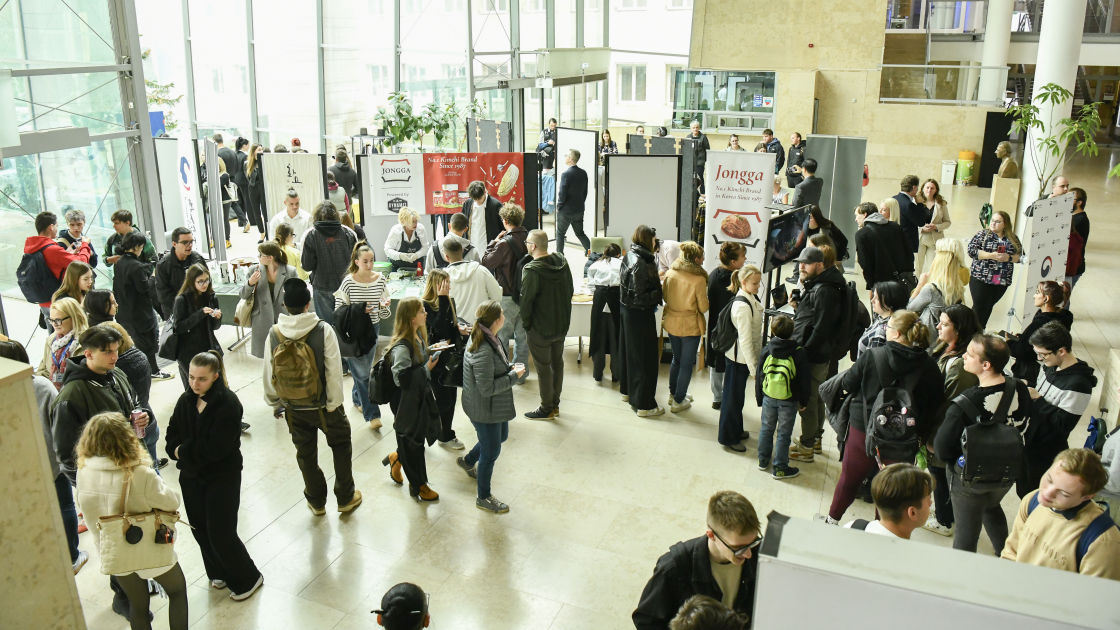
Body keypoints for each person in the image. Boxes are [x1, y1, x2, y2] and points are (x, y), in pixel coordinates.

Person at [825, 310, 943, 524]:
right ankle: (883, 530)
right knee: (890, 490)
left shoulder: (873, 355)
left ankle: (832, 520)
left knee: (849, 478)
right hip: (902, 437)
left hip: (864, 428)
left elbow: (848, 383)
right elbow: (932, 407)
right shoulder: (930, 368)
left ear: (897, 334)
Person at [75, 412, 188, 629]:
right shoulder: (140, 473)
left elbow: (85, 509)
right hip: (150, 549)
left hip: (115, 553)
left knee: (138, 605)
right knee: (177, 591)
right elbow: (171, 502)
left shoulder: (84, 472)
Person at [166, 351, 264, 600]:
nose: (194, 384)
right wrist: (179, 450)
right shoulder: (185, 400)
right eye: (191, 377)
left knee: (221, 531)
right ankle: (218, 571)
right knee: (200, 529)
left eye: (202, 379)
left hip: (222, 476)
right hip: (191, 476)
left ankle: (247, 579)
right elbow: (172, 434)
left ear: (216, 377)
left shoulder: (228, 404)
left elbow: (215, 449)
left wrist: (181, 451)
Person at [262, 277, 361, 515]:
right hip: (324, 406)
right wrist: (333, 404)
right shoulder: (322, 330)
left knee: (305, 454)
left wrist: (276, 402)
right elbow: (333, 370)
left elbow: (268, 372)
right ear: (309, 304)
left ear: (285, 306)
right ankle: (345, 497)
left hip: (294, 407)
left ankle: (316, 501)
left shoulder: (274, 333)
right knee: (340, 445)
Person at [933, 333, 1032, 554]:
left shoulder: (966, 403)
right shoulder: (1020, 388)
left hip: (971, 478)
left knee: (966, 537)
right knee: (991, 506)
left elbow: (942, 448)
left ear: (986, 365)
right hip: (1007, 472)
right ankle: (1006, 553)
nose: (964, 357)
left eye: (969, 355)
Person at [1, 338, 86, 573]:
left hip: (18, 470)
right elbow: (57, 423)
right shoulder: (41, 385)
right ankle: (72, 555)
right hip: (51, 460)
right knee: (65, 506)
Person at [633, 491, 761, 629]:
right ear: (711, 535)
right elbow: (646, 621)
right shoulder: (674, 568)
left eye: (752, 543)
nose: (748, 554)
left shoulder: (757, 554)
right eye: (738, 548)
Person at [1002, 448, 1120, 579]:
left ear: (1087, 496)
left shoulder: (1103, 541)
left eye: (1064, 493)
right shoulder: (1032, 500)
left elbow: (1093, 596)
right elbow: (1011, 552)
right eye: (1049, 479)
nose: (1047, 493)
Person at [456, 301, 526, 513]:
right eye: (502, 314)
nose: (504, 316)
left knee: (501, 437)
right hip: (483, 407)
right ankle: (483, 497)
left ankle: (468, 461)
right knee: (491, 450)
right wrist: (514, 376)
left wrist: (509, 368)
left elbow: (493, 371)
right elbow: (486, 389)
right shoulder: (483, 349)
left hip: (492, 405)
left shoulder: (488, 336)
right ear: (497, 320)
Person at [922, 304, 982, 537]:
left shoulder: (961, 364)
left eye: (945, 323)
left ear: (958, 330)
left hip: (943, 427)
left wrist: (931, 432)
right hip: (937, 424)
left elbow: (950, 404)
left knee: (939, 471)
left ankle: (945, 520)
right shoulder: (947, 348)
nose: (938, 326)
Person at [1019, 321, 1097, 498]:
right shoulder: (1050, 365)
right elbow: (1040, 389)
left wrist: (1037, 398)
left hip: (1046, 451)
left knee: (1036, 496)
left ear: (1061, 351)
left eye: (1043, 355)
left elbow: (1062, 426)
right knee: (1022, 490)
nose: (1040, 359)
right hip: (1029, 441)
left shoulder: (1079, 385)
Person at [381, 297, 442, 502]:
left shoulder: (417, 337)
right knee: (413, 444)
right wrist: (427, 368)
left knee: (413, 440)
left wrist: (431, 351)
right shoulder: (401, 347)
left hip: (417, 397)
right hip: (405, 402)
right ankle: (419, 485)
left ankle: (396, 458)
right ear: (411, 317)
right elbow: (402, 379)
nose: (425, 313)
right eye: (421, 311)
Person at [789, 245, 846, 462]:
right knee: (817, 397)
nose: (801, 267)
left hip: (814, 353)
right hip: (819, 351)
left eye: (807, 263)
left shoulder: (824, 290)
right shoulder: (824, 284)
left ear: (819, 265)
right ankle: (815, 439)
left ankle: (806, 447)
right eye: (800, 263)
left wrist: (805, 351)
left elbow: (822, 327)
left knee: (809, 399)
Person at [334, 242, 391, 428]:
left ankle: (358, 399)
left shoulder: (380, 279)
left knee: (364, 370)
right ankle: (372, 414)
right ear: (356, 261)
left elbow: (383, 314)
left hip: (373, 329)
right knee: (363, 374)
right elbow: (339, 310)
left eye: (372, 260)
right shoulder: (349, 282)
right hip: (353, 332)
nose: (369, 265)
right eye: (365, 261)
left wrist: (384, 307)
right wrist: (359, 311)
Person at [519, 229, 574, 419]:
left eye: (527, 242)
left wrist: (527, 325)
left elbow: (526, 302)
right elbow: (570, 290)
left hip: (539, 328)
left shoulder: (532, 270)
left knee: (543, 368)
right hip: (560, 325)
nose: (525, 245)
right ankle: (555, 405)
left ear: (533, 246)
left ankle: (546, 408)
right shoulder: (562, 262)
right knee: (557, 364)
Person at [752, 314, 810, 479]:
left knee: (766, 428)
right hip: (789, 399)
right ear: (793, 331)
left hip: (768, 396)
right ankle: (780, 467)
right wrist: (803, 401)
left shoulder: (767, 349)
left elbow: (760, 375)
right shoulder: (798, 352)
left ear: (773, 330)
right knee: (784, 433)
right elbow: (804, 380)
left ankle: (763, 461)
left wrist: (759, 397)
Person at [715, 265, 763, 451]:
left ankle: (736, 429)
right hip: (739, 360)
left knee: (736, 397)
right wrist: (754, 368)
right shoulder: (742, 306)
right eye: (755, 283)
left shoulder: (749, 296)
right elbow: (745, 341)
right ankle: (727, 437)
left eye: (759, 282)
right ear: (743, 282)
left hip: (741, 358)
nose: (758, 286)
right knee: (732, 399)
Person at [620, 225, 665, 417]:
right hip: (639, 314)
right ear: (648, 240)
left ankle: (631, 393)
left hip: (628, 313)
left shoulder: (630, 255)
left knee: (632, 355)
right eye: (655, 240)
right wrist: (659, 291)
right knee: (646, 360)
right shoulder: (642, 262)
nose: (657, 243)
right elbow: (640, 296)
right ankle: (644, 405)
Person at [420, 268, 467, 449]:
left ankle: (445, 432)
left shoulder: (448, 301)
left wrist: (458, 329)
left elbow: (449, 327)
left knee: (450, 399)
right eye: (446, 283)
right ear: (437, 285)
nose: (449, 287)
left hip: (450, 360)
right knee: (442, 400)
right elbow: (438, 329)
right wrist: (442, 298)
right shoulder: (425, 305)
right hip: (435, 360)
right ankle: (442, 434)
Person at [112, 232, 169, 380]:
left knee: (138, 344)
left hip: (123, 312)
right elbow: (145, 289)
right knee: (148, 345)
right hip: (139, 313)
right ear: (138, 246)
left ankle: (147, 370)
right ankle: (153, 371)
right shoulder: (136, 267)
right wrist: (153, 276)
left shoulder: (119, 262)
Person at [481, 202, 530, 373]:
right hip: (526, 296)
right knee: (522, 338)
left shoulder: (503, 243)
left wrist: (493, 242)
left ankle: (503, 373)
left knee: (501, 337)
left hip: (507, 296)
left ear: (505, 220)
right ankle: (521, 374)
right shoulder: (530, 239)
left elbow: (486, 262)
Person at [662, 241, 710, 414]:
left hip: (672, 321)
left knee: (676, 359)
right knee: (687, 364)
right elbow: (704, 308)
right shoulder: (699, 280)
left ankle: (673, 393)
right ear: (696, 259)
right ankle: (679, 400)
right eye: (702, 257)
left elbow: (666, 297)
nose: (704, 260)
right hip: (690, 325)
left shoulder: (670, 273)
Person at [24, 211, 95, 318]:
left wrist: (68, 254)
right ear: (51, 227)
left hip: (43, 299)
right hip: (57, 301)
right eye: (56, 226)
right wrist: (85, 245)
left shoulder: (33, 247)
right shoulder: (51, 249)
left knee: (55, 333)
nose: (57, 229)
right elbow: (81, 264)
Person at [303, 200, 359, 326]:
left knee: (327, 327)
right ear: (337, 216)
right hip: (347, 286)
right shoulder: (349, 233)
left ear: (316, 216)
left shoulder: (311, 235)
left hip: (322, 286)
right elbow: (357, 262)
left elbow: (307, 265)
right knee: (347, 325)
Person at [239, 242, 297, 363]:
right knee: (268, 358)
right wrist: (250, 283)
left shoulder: (290, 271)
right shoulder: (253, 271)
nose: (258, 257)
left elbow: (298, 296)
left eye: (261, 255)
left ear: (270, 258)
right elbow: (243, 295)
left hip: (283, 318)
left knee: (286, 357)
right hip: (262, 319)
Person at [844, 463, 934, 539]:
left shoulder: (851, 527)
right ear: (912, 513)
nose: (931, 503)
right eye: (929, 498)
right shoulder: (911, 557)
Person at [1006, 281, 1073, 384]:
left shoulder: (1041, 322)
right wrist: (1022, 338)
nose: (1034, 296)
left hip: (1030, 372)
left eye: (1037, 292)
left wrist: (1009, 342)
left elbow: (1022, 351)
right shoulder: (1063, 317)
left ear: (1046, 299)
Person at [706, 242, 746, 410]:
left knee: (716, 361)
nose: (745, 259)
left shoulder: (714, 274)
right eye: (743, 257)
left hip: (715, 325)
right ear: (733, 262)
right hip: (729, 327)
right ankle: (726, 397)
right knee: (728, 361)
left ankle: (717, 397)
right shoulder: (734, 280)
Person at [169, 263, 221, 389]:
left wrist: (217, 317)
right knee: (194, 388)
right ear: (192, 282)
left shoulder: (211, 297)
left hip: (209, 346)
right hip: (188, 351)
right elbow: (179, 327)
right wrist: (200, 313)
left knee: (215, 384)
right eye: (200, 281)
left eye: (207, 280)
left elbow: (214, 327)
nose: (205, 284)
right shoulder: (181, 300)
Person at [907, 237, 967, 347]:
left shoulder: (931, 289)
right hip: (945, 341)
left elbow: (910, 308)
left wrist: (920, 284)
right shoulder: (958, 286)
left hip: (927, 340)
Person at [967, 210, 1021, 328]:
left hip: (1000, 279)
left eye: (998, 221)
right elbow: (971, 251)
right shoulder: (982, 235)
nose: (993, 223)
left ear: (1005, 224)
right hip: (980, 277)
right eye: (992, 221)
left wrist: (1009, 257)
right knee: (979, 306)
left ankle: (980, 331)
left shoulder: (1012, 238)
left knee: (988, 306)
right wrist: (991, 255)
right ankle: (971, 332)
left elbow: (1021, 257)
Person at [854, 201, 914, 293]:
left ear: (865, 214)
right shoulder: (895, 226)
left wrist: (872, 286)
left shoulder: (861, 234)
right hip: (903, 281)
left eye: (857, 215)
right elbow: (909, 252)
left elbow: (865, 263)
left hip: (880, 284)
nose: (855, 219)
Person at [444, 238, 503, 326]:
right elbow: (497, 295)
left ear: (446, 257)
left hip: (456, 328)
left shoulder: (442, 277)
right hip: (481, 325)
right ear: (463, 251)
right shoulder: (481, 270)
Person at [587, 242, 623, 383]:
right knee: (616, 339)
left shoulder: (596, 264)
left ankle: (597, 373)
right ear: (619, 254)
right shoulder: (621, 264)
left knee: (598, 337)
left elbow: (590, 284)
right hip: (616, 299)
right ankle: (617, 374)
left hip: (600, 299)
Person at [37, 297, 88, 390]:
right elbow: (42, 370)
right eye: (51, 320)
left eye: (58, 320)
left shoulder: (87, 342)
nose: (54, 324)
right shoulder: (51, 340)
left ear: (74, 317)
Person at [155, 228, 206, 319]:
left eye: (191, 242)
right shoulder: (163, 265)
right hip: (176, 313)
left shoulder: (197, 259)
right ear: (174, 244)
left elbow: (207, 281)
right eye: (185, 242)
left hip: (198, 309)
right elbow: (163, 295)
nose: (189, 245)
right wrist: (184, 306)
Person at [856, 281, 909, 358]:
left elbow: (872, 366)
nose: (872, 301)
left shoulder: (880, 333)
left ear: (889, 303)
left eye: (877, 299)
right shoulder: (883, 318)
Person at [555, 149, 590, 255]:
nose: (565, 157)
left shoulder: (566, 174)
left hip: (566, 210)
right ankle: (591, 252)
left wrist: (559, 206)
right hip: (579, 209)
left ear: (570, 159)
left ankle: (559, 256)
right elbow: (585, 192)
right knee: (580, 233)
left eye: (566, 155)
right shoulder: (583, 173)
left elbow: (562, 193)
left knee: (560, 234)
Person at [914, 178, 951, 273]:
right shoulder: (915, 202)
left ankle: (929, 287)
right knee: (917, 267)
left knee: (933, 268)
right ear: (922, 188)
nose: (929, 190)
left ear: (936, 190)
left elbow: (947, 222)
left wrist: (936, 227)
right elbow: (910, 221)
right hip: (919, 238)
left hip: (934, 240)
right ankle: (916, 286)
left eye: (932, 188)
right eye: (927, 187)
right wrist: (921, 228)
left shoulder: (941, 204)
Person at [216, 133, 248, 233]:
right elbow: (238, 166)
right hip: (233, 180)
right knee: (234, 201)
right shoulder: (232, 152)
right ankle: (244, 221)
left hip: (223, 181)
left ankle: (244, 221)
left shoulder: (217, 154)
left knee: (233, 202)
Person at [384, 206, 430, 273]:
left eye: (416, 221)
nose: (415, 224)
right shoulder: (396, 231)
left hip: (416, 266)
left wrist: (416, 255)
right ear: (403, 222)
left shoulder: (420, 229)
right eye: (412, 222)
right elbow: (387, 250)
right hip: (398, 267)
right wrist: (401, 256)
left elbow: (425, 247)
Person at [461, 181, 503, 250]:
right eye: (475, 199)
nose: (477, 201)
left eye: (479, 198)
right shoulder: (467, 203)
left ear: (485, 192)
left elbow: (503, 228)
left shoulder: (496, 205)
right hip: (471, 245)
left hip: (489, 246)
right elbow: (464, 223)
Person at [1065, 186, 1089, 296]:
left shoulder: (1079, 221)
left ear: (1079, 202)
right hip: (1072, 267)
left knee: (1063, 301)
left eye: (1070, 198)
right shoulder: (1075, 218)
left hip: (1073, 268)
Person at [894, 175, 925, 256]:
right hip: (906, 244)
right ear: (914, 187)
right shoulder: (909, 205)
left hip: (894, 240)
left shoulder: (894, 198)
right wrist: (920, 204)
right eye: (917, 187)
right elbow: (921, 222)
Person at [245, 143, 268, 239]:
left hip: (263, 189)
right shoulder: (247, 164)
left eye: (261, 149)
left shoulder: (264, 162)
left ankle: (267, 231)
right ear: (253, 151)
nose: (261, 151)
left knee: (265, 210)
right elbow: (248, 178)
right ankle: (262, 233)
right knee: (256, 211)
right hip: (253, 189)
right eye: (259, 149)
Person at [687, 121, 711, 189]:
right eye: (693, 128)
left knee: (699, 177)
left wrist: (704, 160)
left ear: (699, 128)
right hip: (691, 162)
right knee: (690, 178)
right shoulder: (688, 137)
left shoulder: (703, 137)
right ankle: (693, 192)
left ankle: (703, 192)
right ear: (691, 129)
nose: (695, 129)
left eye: (697, 127)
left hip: (700, 162)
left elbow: (707, 150)